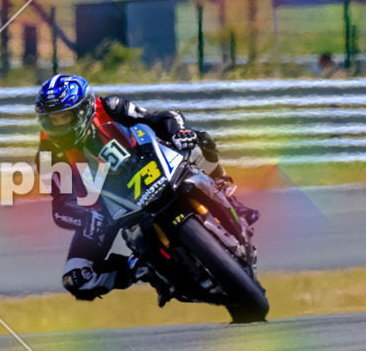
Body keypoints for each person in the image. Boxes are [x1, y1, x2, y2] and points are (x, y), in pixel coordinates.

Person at [34, 73, 259, 302]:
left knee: (200, 141)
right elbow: (62, 206)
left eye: (65, 117)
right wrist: (85, 216)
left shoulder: (110, 107)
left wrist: (179, 133)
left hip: (146, 165)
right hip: (106, 207)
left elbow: (161, 118)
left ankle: (229, 196)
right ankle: (140, 268)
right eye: (52, 120)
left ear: (84, 110)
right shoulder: (47, 155)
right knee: (76, 278)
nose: (59, 125)